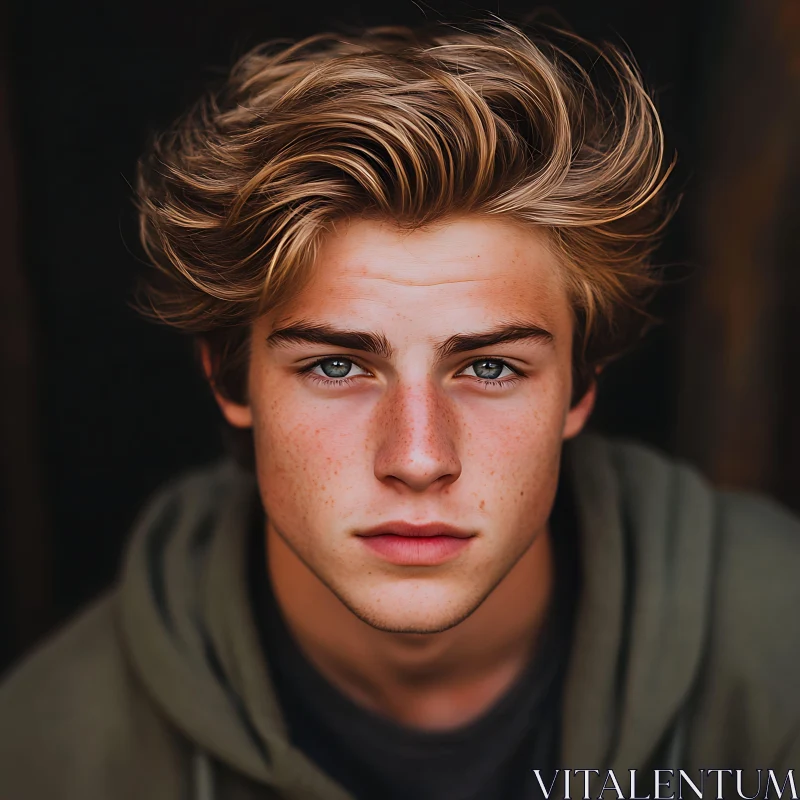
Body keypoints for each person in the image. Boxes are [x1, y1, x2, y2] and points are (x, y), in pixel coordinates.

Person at [1, 18, 798, 800]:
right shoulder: (50, 748)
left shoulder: (780, 647)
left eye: (488, 366)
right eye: (339, 365)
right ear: (232, 381)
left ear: (580, 387)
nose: (418, 458)